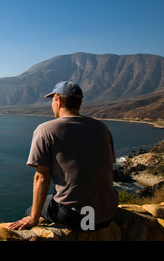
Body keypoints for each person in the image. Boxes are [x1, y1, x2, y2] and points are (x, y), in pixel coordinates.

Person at [9, 81, 119, 231]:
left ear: (58, 101)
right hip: (107, 214)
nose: (52, 105)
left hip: (75, 217)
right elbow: (107, 168)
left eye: (52, 100)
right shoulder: (101, 127)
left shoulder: (46, 130)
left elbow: (42, 177)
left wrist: (33, 218)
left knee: (32, 210)